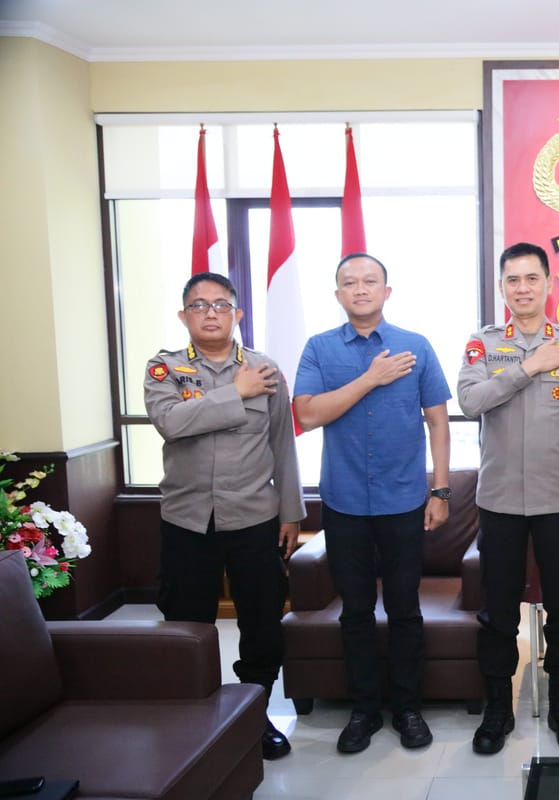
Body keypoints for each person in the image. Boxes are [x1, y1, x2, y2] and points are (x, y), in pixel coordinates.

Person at [292, 253, 452, 754]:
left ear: (387, 291)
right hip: (343, 504)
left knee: (405, 609)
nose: (359, 288)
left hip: (404, 500)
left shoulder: (415, 346)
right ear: (338, 294)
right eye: (348, 282)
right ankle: (363, 710)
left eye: (369, 281)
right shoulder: (318, 348)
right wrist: (370, 378)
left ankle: (407, 707)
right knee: (355, 611)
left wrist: (440, 490)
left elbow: (439, 422)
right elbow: (309, 414)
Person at [457, 242, 559, 755]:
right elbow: (471, 401)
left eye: (531, 279)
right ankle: (497, 705)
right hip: (499, 501)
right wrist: (527, 366)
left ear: (550, 284)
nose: (522, 288)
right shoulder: (483, 344)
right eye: (512, 280)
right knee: (497, 610)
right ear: (502, 287)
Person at [144, 271, 304, 762]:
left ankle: (254, 717)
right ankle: (195, 719)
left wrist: (291, 512)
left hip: (255, 516)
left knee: (261, 624)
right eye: (198, 305)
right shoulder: (166, 369)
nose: (210, 312)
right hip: (188, 520)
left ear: (237, 313)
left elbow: (282, 444)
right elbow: (171, 423)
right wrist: (235, 392)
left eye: (220, 304)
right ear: (183, 315)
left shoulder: (265, 368)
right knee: (186, 623)